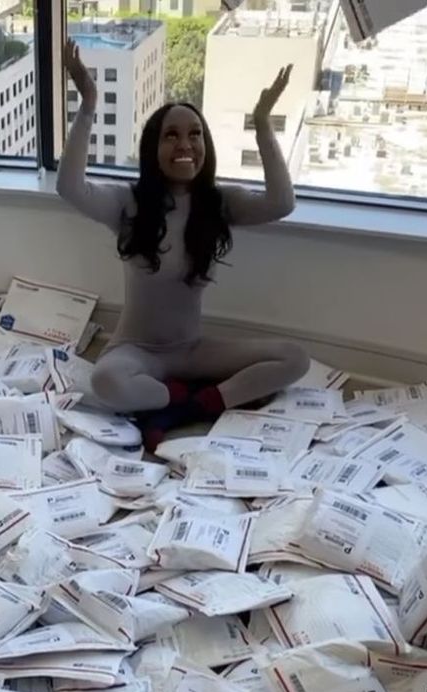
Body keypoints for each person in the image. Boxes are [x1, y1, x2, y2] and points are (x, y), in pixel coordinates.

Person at [56, 39, 310, 452]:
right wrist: (87, 106)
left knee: (295, 359)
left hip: (192, 352)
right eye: (171, 136)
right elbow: (69, 187)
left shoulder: (218, 204)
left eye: (194, 135)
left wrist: (263, 122)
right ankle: (181, 397)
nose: (185, 145)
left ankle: (191, 406)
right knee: (105, 380)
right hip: (137, 352)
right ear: (153, 148)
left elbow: (282, 202)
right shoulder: (128, 202)